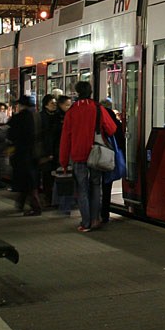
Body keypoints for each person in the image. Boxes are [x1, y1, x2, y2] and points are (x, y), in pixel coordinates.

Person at [59, 81, 116, 232]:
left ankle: (86, 223)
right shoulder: (98, 108)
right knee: (96, 186)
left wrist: (64, 162)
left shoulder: (71, 111)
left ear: (77, 92)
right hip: (96, 154)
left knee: (82, 189)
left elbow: (65, 138)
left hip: (78, 155)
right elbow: (111, 128)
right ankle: (96, 219)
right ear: (91, 91)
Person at [7, 95, 42, 216]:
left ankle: (35, 207)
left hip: (22, 153)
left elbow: (11, 135)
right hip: (36, 153)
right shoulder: (37, 116)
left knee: (27, 181)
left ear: (21, 105)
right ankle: (21, 203)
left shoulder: (19, 118)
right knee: (30, 180)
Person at [99, 98, 125, 224]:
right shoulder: (115, 122)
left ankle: (95, 214)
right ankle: (105, 214)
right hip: (110, 159)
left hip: (96, 158)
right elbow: (121, 141)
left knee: (95, 186)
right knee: (107, 187)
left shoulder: (96, 120)